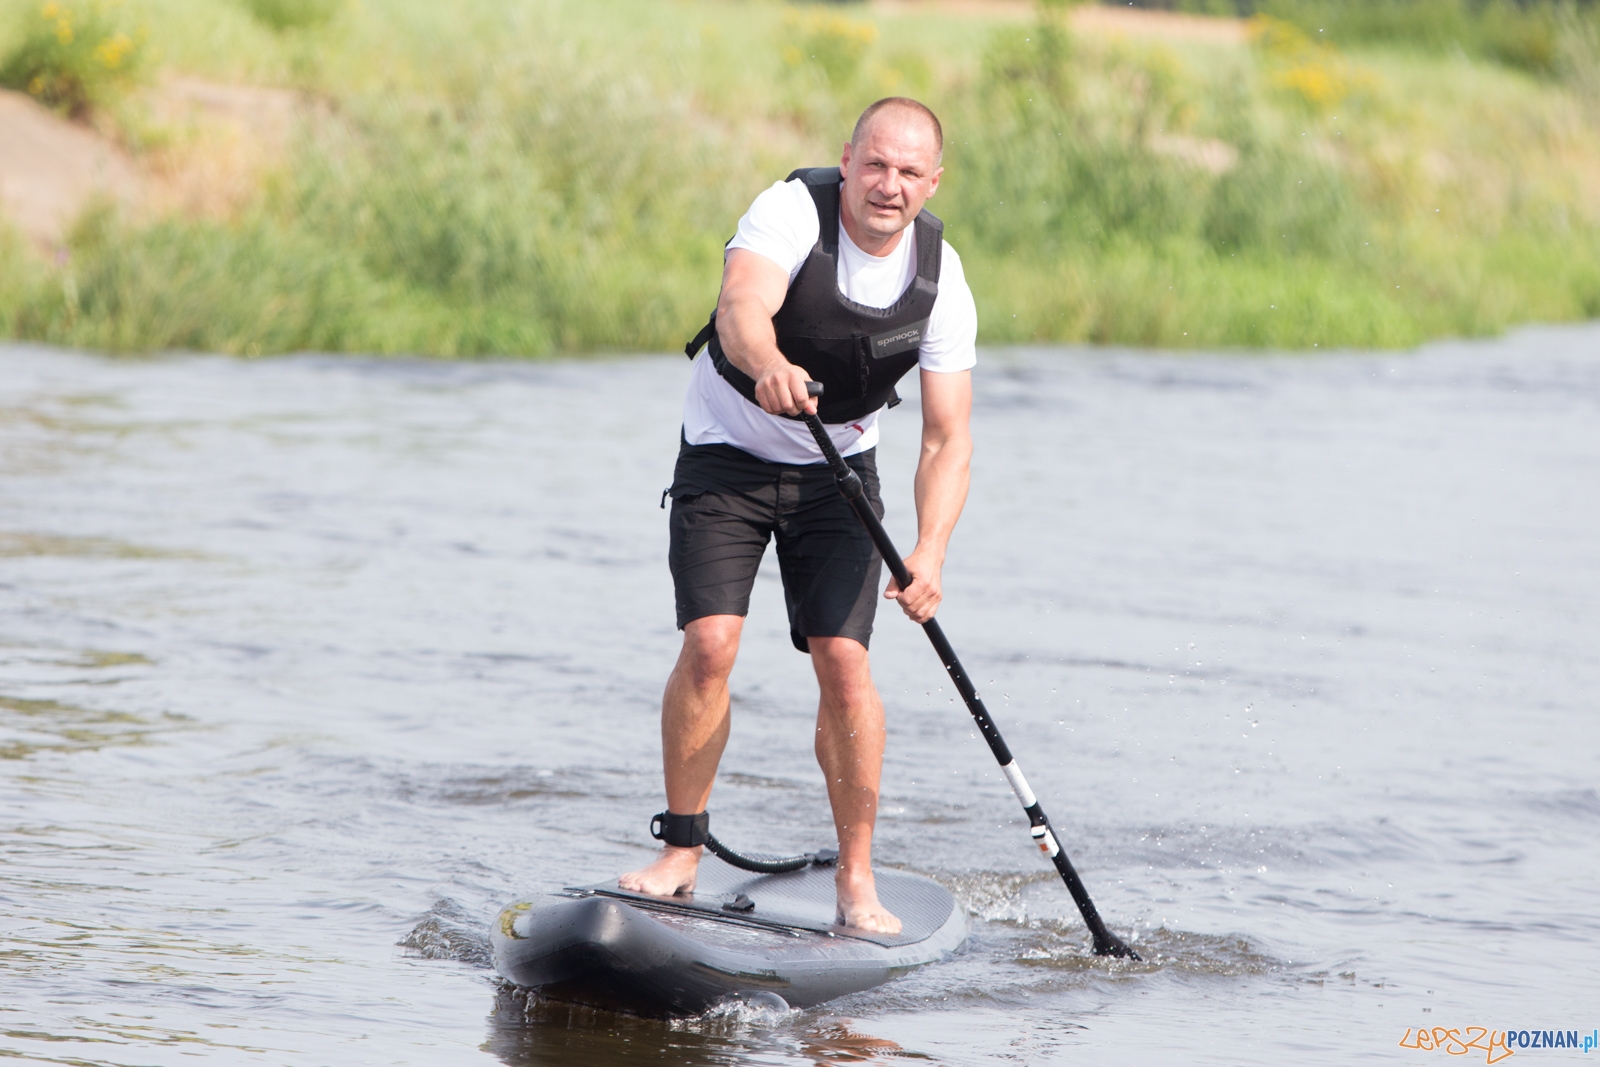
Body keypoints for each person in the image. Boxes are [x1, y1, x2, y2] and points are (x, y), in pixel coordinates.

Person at [620, 97, 977, 935]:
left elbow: (946, 440)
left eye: (909, 173)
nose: (888, 186)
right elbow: (743, 304)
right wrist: (769, 360)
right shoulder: (790, 212)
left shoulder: (940, 275)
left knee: (844, 663)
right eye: (876, 165)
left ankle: (856, 879)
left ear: (933, 182)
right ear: (848, 159)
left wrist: (930, 551)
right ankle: (680, 851)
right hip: (727, 454)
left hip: (836, 474)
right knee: (710, 644)